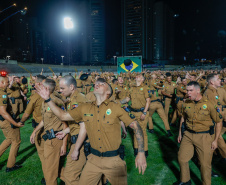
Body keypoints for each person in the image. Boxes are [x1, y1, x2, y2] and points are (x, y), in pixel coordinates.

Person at [35, 77, 147, 185]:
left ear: (108, 92)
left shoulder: (116, 108)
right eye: (96, 84)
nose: (97, 84)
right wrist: (48, 99)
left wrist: (141, 153)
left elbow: (136, 126)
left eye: (102, 84)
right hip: (93, 160)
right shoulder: (85, 108)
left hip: (114, 161)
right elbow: (63, 115)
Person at [175, 81, 222, 185]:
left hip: (204, 136)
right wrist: (180, 133)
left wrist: (215, 140)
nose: (188, 93)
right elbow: (183, 117)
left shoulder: (209, 104)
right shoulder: (186, 103)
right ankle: (185, 180)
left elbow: (219, 122)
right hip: (188, 134)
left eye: (191, 90)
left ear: (198, 90)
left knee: (205, 165)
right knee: (182, 158)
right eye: (187, 90)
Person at [30, 79, 68, 185]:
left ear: (46, 89)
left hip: (55, 139)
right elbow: (44, 119)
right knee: (57, 168)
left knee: (49, 174)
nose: (38, 87)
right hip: (48, 139)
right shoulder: (45, 101)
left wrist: (64, 145)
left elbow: (65, 124)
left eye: (41, 86)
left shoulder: (56, 102)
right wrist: (35, 131)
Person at [55, 75, 88, 185]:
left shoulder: (78, 100)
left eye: (62, 88)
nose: (60, 91)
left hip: (81, 142)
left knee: (70, 176)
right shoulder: (73, 99)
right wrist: (65, 131)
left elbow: (85, 126)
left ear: (72, 87)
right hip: (78, 139)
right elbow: (77, 124)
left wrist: (76, 149)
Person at [121, 74, 150, 157]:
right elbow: (127, 98)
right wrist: (119, 102)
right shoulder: (132, 88)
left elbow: (148, 101)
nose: (137, 76)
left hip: (142, 113)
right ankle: (136, 149)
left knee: (143, 131)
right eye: (137, 76)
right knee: (135, 131)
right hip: (133, 113)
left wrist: (144, 112)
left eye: (139, 76)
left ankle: (145, 150)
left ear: (142, 79)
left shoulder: (145, 88)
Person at [0, 76, 24, 172]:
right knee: (16, 141)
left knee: (9, 139)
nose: (7, 84)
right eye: (6, 82)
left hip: (1, 121)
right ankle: (10, 166)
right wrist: (16, 123)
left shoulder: (3, 92)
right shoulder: (2, 94)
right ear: (1, 83)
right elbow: (3, 112)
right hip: (6, 121)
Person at [204, 74, 226, 162]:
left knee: (220, 145)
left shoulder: (214, 91)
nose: (220, 80)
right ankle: (205, 166)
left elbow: (218, 107)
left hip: (215, 122)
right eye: (218, 79)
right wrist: (223, 116)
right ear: (212, 82)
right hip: (212, 124)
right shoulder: (210, 93)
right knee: (212, 146)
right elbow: (215, 109)